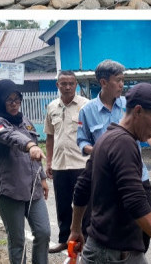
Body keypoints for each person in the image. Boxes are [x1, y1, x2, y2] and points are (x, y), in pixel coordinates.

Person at [69, 82, 151, 264]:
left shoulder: (106, 138)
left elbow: (82, 187)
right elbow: (135, 200)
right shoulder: (124, 143)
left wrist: (76, 229)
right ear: (138, 111)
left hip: (102, 247)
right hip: (114, 254)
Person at [76, 59, 151, 250]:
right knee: (106, 228)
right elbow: (82, 140)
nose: (121, 85)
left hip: (136, 175)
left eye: (123, 80)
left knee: (146, 226)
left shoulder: (130, 105)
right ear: (103, 82)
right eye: (118, 80)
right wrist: (99, 151)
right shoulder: (87, 111)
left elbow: (148, 131)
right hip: (105, 178)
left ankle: (135, 255)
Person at [0, 79, 51, 264]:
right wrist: (29, 145)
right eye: (9, 100)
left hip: (32, 189)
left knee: (43, 232)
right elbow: (10, 136)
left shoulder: (25, 122)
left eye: (17, 99)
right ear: (0, 100)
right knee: (17, 241)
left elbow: (36, 154)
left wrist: (42, 178)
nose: (14, 104)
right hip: (10, 191)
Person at [44, 70, 89, 254]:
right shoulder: (52, 107)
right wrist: (48, 162)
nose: (68, 87)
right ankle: (64, 240)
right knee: (62, 205)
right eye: (64, 83)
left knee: (84, 204)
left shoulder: (86, 106)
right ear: (58, 85)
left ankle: (86, 241)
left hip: (81, 164)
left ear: (76, 84)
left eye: (71, 83)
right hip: (60, 165)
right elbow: (49, 137)